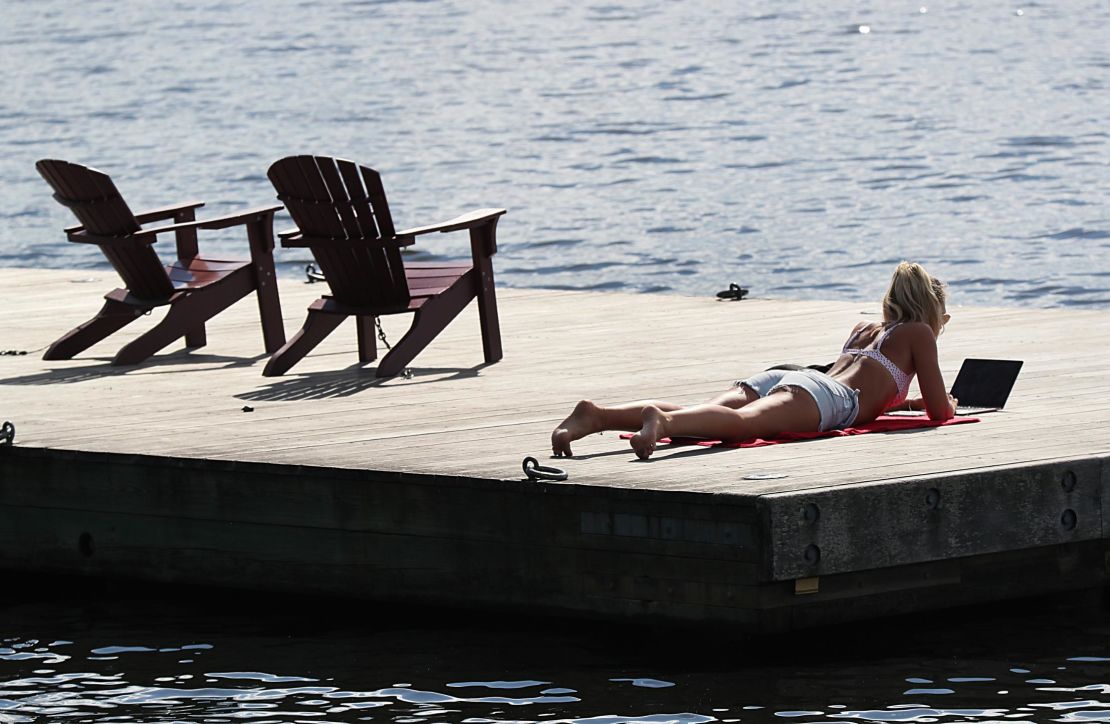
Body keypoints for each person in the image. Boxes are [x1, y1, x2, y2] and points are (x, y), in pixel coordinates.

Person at [551, 261, 957, 459]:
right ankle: (663, 421)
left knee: (708, 412)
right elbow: (941, 412)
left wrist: (904, 403)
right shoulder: (918, 333)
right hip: (826, 396)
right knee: (745, 427)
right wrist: (945, 405)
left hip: (793, 377)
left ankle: (599, 416)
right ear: (930, 310)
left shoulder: (864, 328)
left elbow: (869, 382)